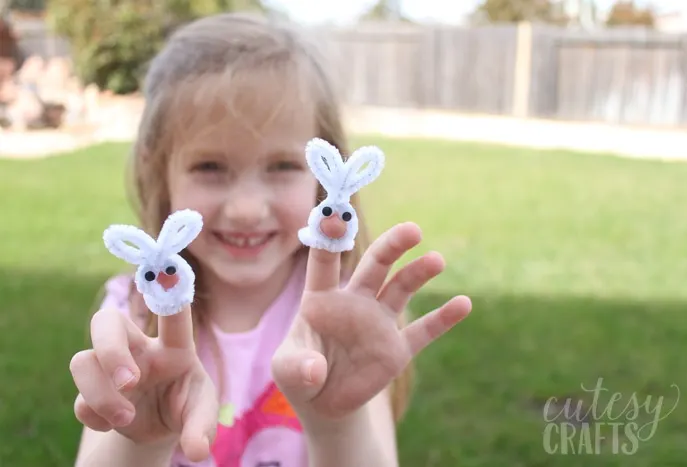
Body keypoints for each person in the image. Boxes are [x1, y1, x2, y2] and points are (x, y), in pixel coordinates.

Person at [68, 12, 472, 467]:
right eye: (210, 167)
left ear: (326, 172)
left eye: (282, 167)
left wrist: (335, 423)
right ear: (158, 171)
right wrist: (140, 439)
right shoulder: (136, 315)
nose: (246, 207)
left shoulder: (344, 317)